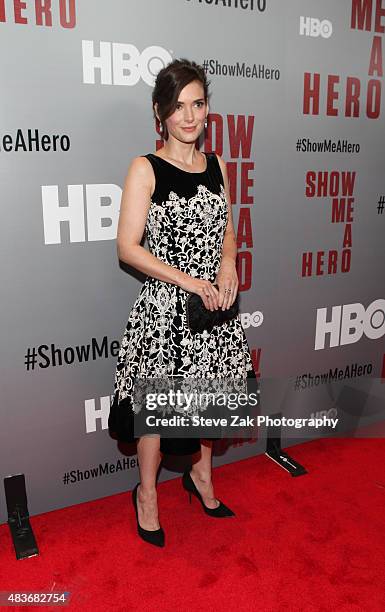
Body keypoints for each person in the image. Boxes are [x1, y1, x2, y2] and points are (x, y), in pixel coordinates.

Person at [108, 58, 257, 547]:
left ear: (208, 108)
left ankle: (201, 478)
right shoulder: (144, 168)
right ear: (160, 112)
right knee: (158, 414)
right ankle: (146, 494)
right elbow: (128, 247)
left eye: (197, 104)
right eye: (177, 106)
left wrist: (228, 265)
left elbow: (228, 231)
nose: (188, 116)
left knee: (210, 402)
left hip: (213, 306)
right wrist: (190, 281)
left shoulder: (216, 165)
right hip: (166, 312)